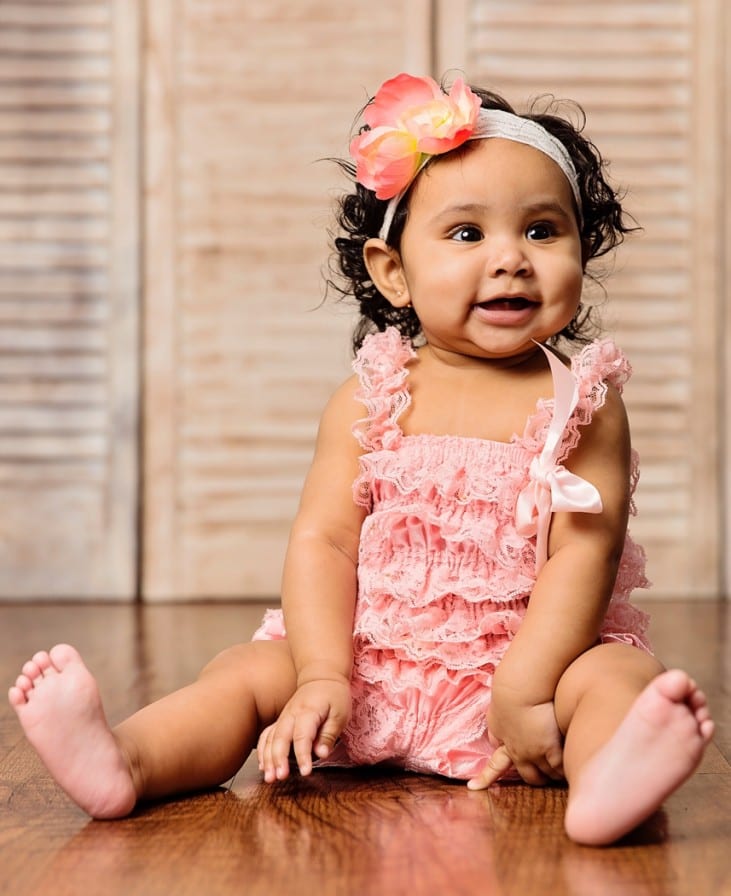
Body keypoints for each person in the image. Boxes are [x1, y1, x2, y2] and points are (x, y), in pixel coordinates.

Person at [8, 73, 714, 845]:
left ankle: (609, 783)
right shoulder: (371, 397)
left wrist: (525, 685)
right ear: (393, 273)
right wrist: (320, 673)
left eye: (542, 231)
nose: (512, 259)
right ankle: (128, 761)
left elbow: (584, 551)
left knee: (615, 680)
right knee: (243, 676)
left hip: (529, 684)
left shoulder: (583, 401)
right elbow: (325, 541)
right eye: (467, 234)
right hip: (364, 672)